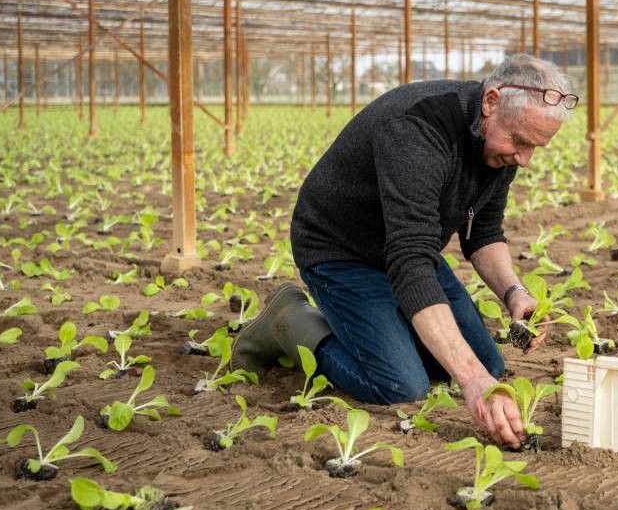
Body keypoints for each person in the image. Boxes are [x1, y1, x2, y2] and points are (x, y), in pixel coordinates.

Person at [233, 54, 576, 447]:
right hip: (341, 250)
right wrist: (471, 380)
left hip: (408, 248)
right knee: (400, 385)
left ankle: (392, 331)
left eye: (535, 147)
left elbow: (482, 232)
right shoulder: (417, 130)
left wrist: (514, 293)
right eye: (519, 142)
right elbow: (409, 262)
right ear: (491, 101)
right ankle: (290, 320)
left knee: (490, 365)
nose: (525, 159)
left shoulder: (501, 141)